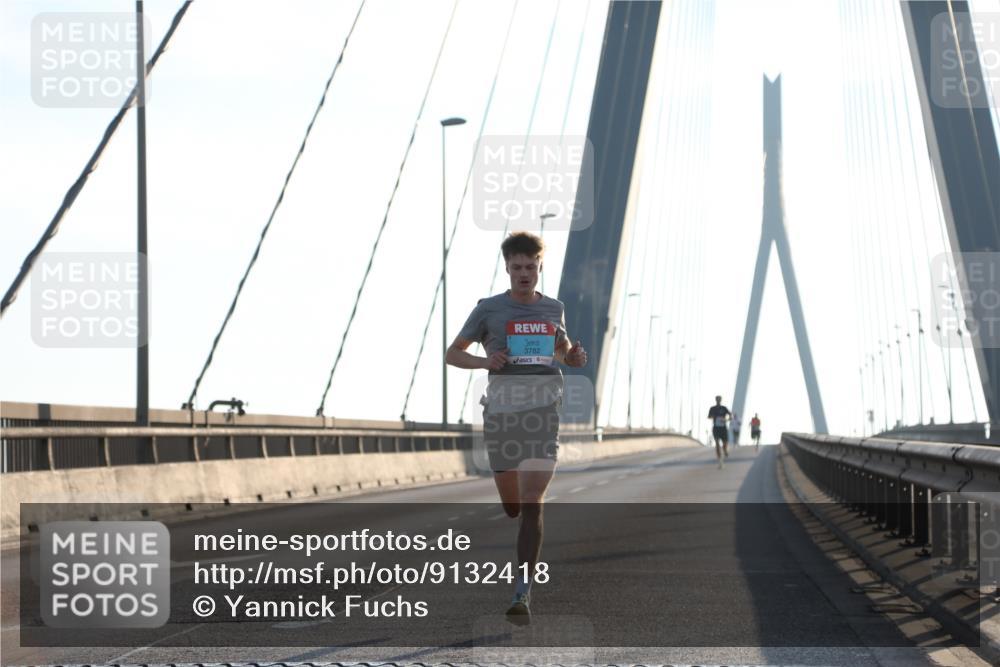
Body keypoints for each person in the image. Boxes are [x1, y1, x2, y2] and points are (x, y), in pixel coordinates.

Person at [446, 231, 587, 625]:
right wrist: (485, 362)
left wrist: (574, 357)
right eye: (517, 267)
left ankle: (522, 591)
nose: (524, 274)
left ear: (540, 267)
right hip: (502, 416)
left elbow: (562, 351)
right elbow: (453, 354)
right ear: (507, 268)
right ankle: (513, 516)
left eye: (531, 267)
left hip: (543, 413)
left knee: (532, 502)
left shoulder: (554, 308)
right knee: (512, 506)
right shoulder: (489, 309)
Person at [707, 395, 731, 468]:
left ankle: (725, 450)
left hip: (723, 428)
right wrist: (713, 417)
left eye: (719, 399)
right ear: (715, 400)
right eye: (717, 399)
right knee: (717, 443)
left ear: (721, 400)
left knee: (724, 444)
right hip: (716, 428)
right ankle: (720, 460)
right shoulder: (712, 408)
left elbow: (731, 416)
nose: (718, 400)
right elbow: (709, 416)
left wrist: (726, 419)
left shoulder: (724, 408)